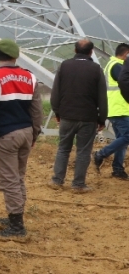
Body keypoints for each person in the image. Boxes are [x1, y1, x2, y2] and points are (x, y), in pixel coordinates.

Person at [0, 39, 42, 242]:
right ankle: (16, 217)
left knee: (9, 179)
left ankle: (16, 226)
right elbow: (37, 110)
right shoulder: (30, 77)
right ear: (16, 56)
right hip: (26, 132)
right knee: (18, 177)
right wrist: (35, 134)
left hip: (6, 135)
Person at [50, 39, 107, 193]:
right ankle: (78, 184)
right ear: (91, 52)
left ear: (75, 51)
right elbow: (102, 97)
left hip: (67, 115)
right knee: (83, 151)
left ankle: (57, 180)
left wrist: (57, 112)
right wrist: (102, 118)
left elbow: (55, 92)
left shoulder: (64, 66)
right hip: (88, 117)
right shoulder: (96, 69)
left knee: (63, 148)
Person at [93, 43, 129, 180]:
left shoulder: (112, 64)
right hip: (120, 109)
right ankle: (100, 154)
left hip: (116, 109)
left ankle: (118, 169)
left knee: (123, 139)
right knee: (127, 136)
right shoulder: (118, 67)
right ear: (126, 54)